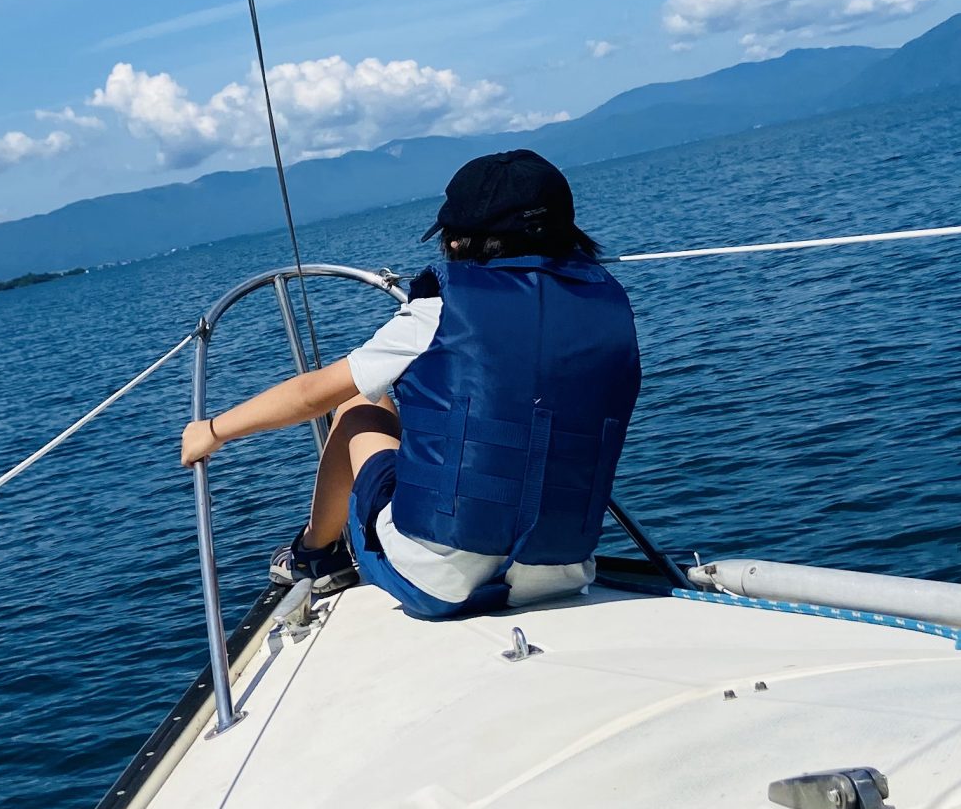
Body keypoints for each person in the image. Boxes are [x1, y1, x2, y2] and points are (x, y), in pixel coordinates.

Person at [178, 150, 641, 619]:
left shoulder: (438, 312)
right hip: (560, 570)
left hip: (438, 582)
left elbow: (309, 394)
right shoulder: (608, 308)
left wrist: (213, 431)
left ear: (459, 243)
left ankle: (317, 555)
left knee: (358, 402)